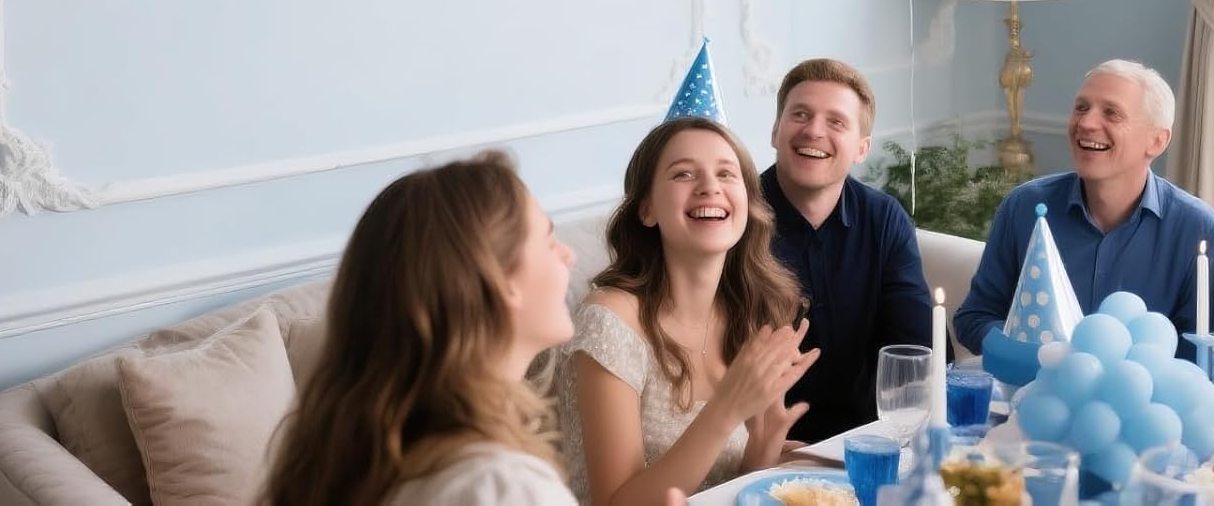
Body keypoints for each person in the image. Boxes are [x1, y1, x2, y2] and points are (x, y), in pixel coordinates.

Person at [266, 152, 691, 506]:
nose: (568, 256)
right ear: (499, 279)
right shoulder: (502, 487)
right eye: (547, 241)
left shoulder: (377, 463)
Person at [558, 115, 817, 505]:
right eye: (683, 174)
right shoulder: (609, 322)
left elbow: (734, 485)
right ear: (646, 209)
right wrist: (725, 411)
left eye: (726, 174)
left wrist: (763, 450)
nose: (710, 187)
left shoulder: (752, 311)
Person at [954, 59, 1214, 358]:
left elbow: (1207, 356)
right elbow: (975, 317)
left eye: (1111, 113)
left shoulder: (1199, 230)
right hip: (1033, 386)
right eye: (1081, 108)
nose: (1085, 123)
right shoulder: (1023, 207)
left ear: (1157, 141)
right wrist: (1029, 356)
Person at [761, 57, 932, 443]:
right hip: (762, 446)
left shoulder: (884, 218)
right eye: (800, 115)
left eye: (836, 122)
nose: (813, 131)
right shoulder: (735, 217)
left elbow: (916, 349)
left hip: (871, 438)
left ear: (861, 148)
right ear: (775, 131)